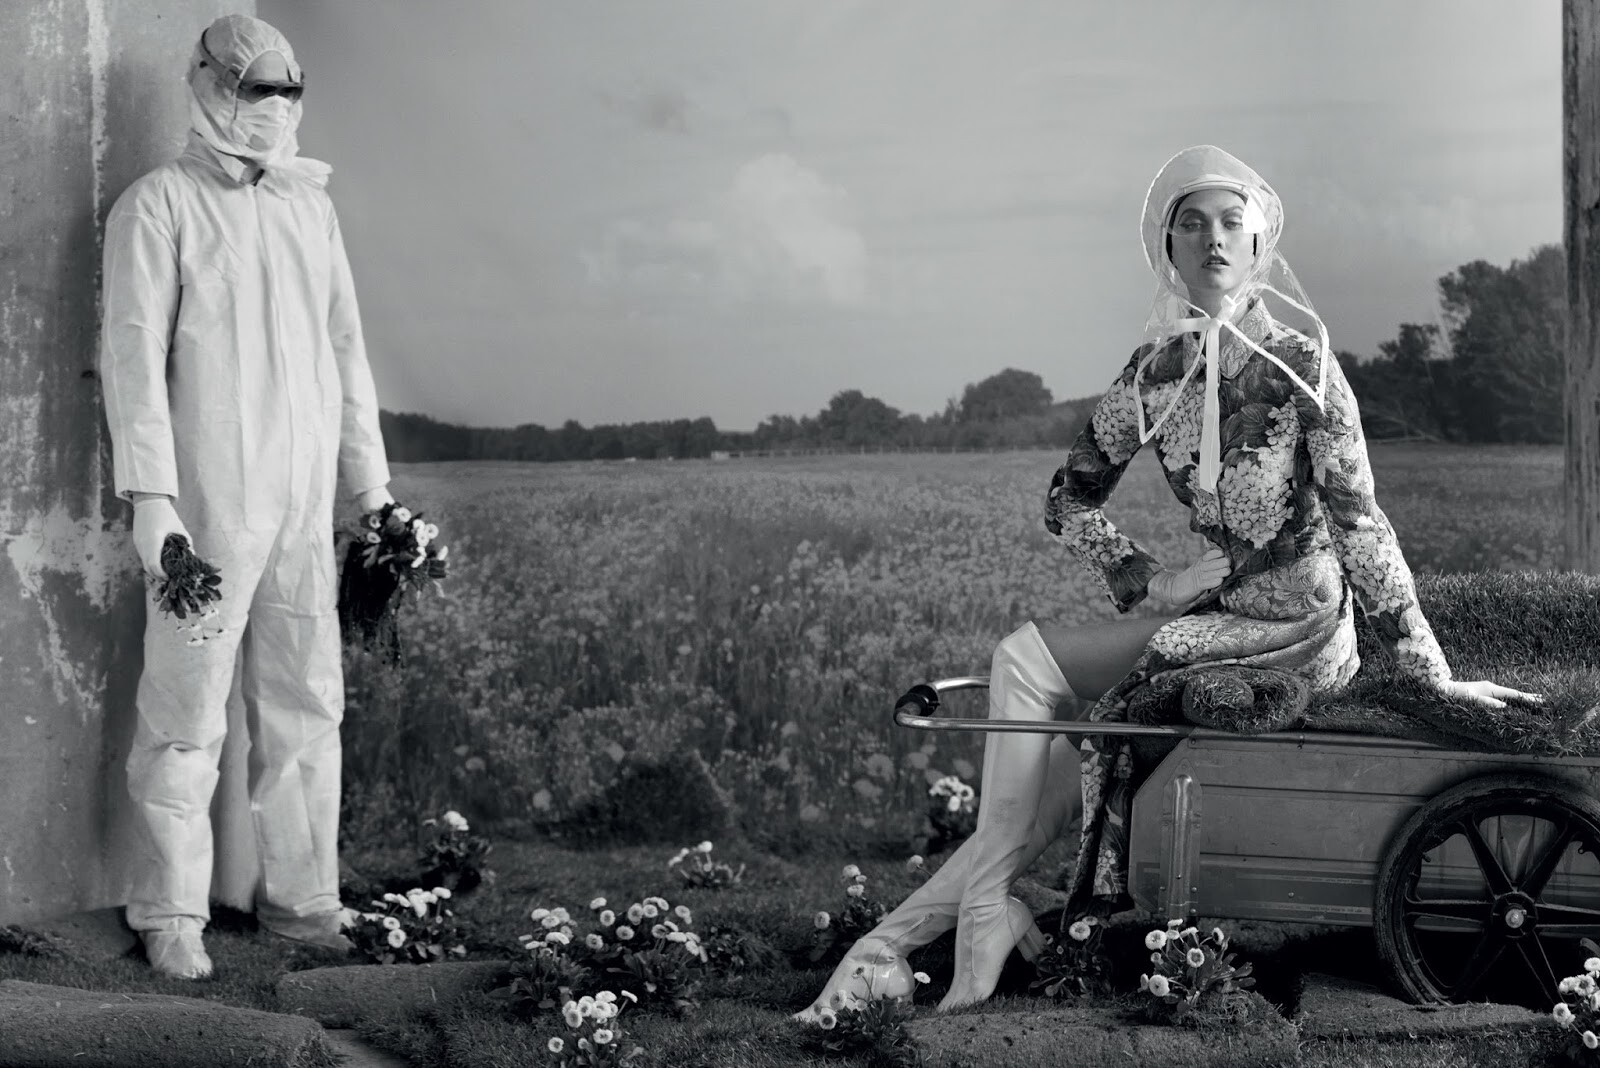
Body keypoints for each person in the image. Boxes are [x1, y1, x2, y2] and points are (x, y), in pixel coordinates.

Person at [795, 144, 1541, 1020]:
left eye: (1231, 223)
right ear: (1169, 249)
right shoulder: (1155, 375)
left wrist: (1429, 673)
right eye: (1192, 224)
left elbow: (1361, 522)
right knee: (1041, 752)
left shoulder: (1303, 366)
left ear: (1259, 244)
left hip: (1299, 631)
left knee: (1032, 677)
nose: (1212, 238)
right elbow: (1068, 497)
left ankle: (959, 924)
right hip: (1219, 613)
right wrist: (1152, 579)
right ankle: (906, 942)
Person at [99, 14, 394, 979]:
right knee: (186, 710)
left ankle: (304, 901)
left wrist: (371, 490)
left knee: (308, 701)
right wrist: (152, 497)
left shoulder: (309, 206)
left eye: (288, 90)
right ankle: (169, 910)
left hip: (302, 501)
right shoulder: (159, 206)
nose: (275, 106)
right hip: (210, 501)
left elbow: (346, 350)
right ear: (211, 86)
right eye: (256, 88)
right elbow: (133, 362)